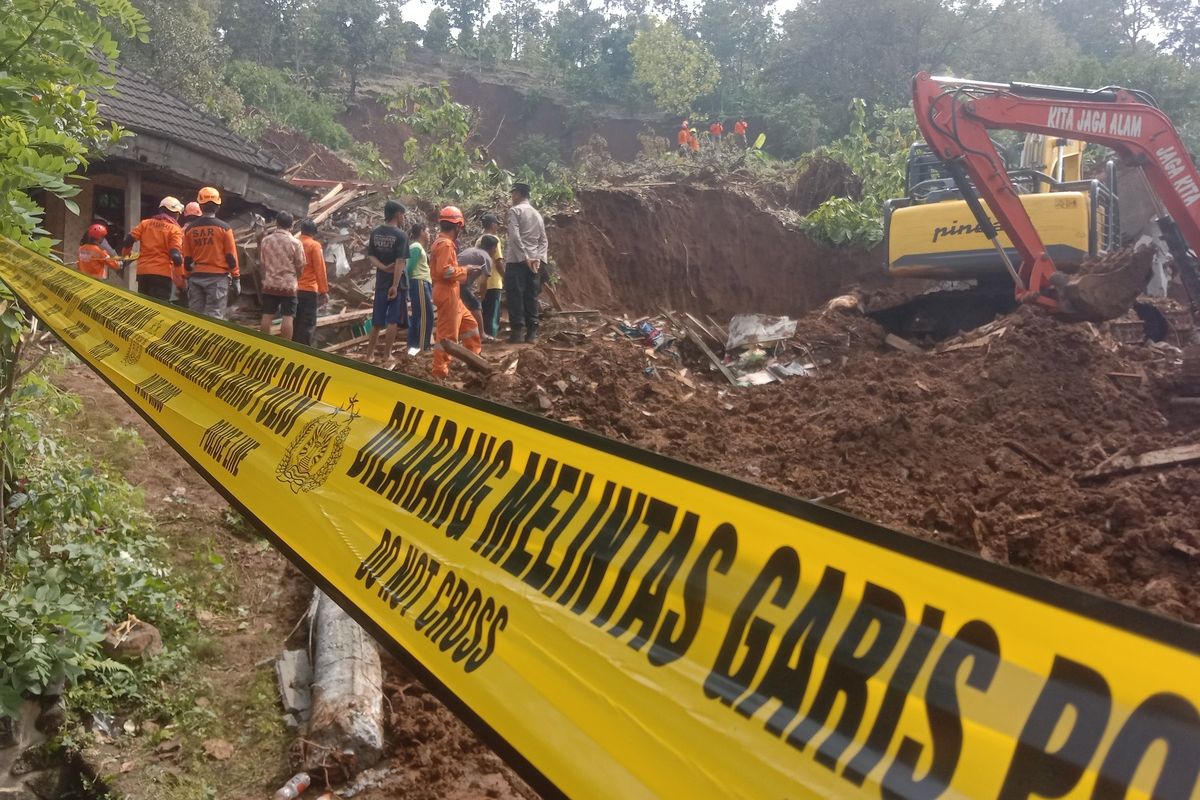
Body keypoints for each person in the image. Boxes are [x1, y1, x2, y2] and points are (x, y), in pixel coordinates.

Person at [430, 206, 482, 377]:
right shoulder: (445, 244)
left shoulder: (443, 242)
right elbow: (445, 271)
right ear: (458, 226)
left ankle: (475, 361)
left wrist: (464, 270)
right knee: (447, 336)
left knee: (470, 326)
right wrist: (465, 270)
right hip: (447, 292)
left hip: (452, 292)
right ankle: (440, 372)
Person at [183, 187, 240, 319]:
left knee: (195, 317)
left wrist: (186, 277)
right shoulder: (224, 228)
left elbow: (187, 258)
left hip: (196, 278)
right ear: (218, 206)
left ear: (200, 207)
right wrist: (236, 278)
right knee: (214, 318)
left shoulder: (190, 230)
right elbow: (230, 256)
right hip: (217, 279)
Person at [365, 200, 409, 365]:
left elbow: (371, 256)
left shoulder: (375, 232)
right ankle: (386, 355)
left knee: (377, 320)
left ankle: (369, 355)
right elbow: (400, 262)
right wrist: (395, 285)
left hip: (381, 281)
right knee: (392, 320)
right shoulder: (401, 235)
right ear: (398, 214)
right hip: (395, 284)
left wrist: (383, 267)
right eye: (403, 215)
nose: (404, 218)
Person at [504, 182, 548, 344]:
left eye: (513, 193)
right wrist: (538, 259)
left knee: (515, 295)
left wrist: (524, 258)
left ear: (518, 194)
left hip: (517, 261)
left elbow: (515, 237)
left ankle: (517, 332)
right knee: (531, 296)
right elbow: (544, 240)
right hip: (535, 263)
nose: (512, 197)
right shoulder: (537, 214)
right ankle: (532, 333)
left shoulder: (515, 211)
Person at [123, 196, 184, 301]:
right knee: (159, 309)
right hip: (162, 274)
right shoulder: (175, 229)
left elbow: (129, 239)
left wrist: (125, 254)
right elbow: (175, 255)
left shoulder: (145, 224)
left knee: (144, 307)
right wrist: (180, 277)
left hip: (143, 273)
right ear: (175, 214)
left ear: (161, 209)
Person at [258, 211, 305, 340]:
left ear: (277, 223)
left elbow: (262, 263)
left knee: (267, 315)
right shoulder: (295, 243)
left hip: (270, 283)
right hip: (288, 285)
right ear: (292, 225)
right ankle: (285, 347)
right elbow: (300, 264)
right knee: (288, 316)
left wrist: (264, 279)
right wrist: (297, 278)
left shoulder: (266, 240)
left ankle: (262, 344)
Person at [295, 218, 328, 347]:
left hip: (293, 289)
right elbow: (320, 270)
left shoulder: (295, 243)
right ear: (314, 232)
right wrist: (324, 291)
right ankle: (304, 351)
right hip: (308, 290)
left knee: (295, 322)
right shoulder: (314, 246)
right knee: (307, 323)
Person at [458, 236, 498, 340]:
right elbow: (484, 282)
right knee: (476, 305)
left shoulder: (471, 250)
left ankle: (460, 334)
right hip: (460, 282)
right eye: (495, 248)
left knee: (461, 308)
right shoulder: (486, 257)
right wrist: (482, 296)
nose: (495, 251)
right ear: (492, 247)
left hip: (451, 280)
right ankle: (482, 334)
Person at [405, 222, 434, 355]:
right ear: (422, 232)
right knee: (426, 315)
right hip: (419, 282)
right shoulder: (416, 246)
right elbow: (410, 268)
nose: (429, 234)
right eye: (427, 231)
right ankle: (423, 347)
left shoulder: (418, 247)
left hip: (421, 282)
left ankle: (413, 347)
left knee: (418, 316)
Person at [479, 213, 505, 340]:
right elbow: (498, 262)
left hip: (483, 281)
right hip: (494, 282)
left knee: (485, 312)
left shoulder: (479, 240)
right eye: (497, 225)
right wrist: (505, 277)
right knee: (493, 313)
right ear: (493, 225)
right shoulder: (494, 240)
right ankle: (491, 337)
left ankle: (485, 336)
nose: (497, 227)